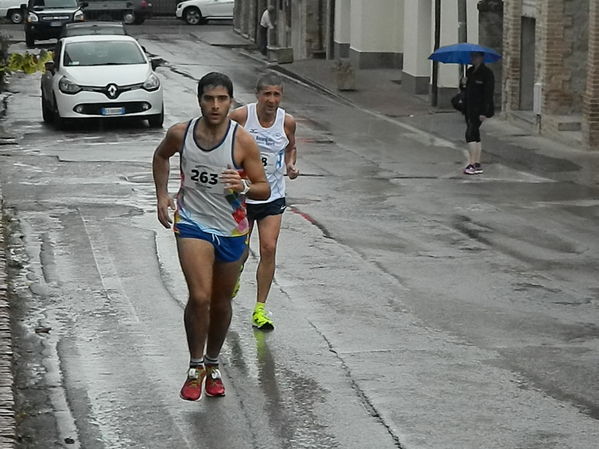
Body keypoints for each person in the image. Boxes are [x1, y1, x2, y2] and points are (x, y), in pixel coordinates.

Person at [152, 72, 270, 401]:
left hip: (232, 229)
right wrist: (162, 195)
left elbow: (264, 187)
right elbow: (161, 156)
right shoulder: (182, 133)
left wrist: (244, 186)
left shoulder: (242, 141)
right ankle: (194, 366)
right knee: (200, 296)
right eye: (209, 99)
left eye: (222, 99)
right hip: (193, 222)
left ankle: (213, 363)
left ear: (231, 102)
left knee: (220, 302)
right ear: (199, 100)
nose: (215, 105)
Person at [229, 72, 299, 330]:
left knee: (269, 248)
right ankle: (234, 275)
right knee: (240, 251)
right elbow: (222, 140)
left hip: (272, 195)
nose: (271, 100)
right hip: (243, 196)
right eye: (267, 94)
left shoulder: (287, 121)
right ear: (257, 95)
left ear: (281, 96)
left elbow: (291, 147)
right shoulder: (240, 117)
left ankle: (260, 309)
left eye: (276, 94)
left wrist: (291, 164)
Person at [463, 51, 495, 175]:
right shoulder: (470, 71)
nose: (473, 59)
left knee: (470, 133)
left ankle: (472, 163)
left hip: (479, 109)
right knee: (475, 134)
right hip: (469, 108)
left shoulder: (487, 74)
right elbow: (466, 90)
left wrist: (484, 112)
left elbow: (488, 94)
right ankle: (476, 163)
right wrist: (463, 83)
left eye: (476, 57)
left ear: (481, 58)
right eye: (472, 57)